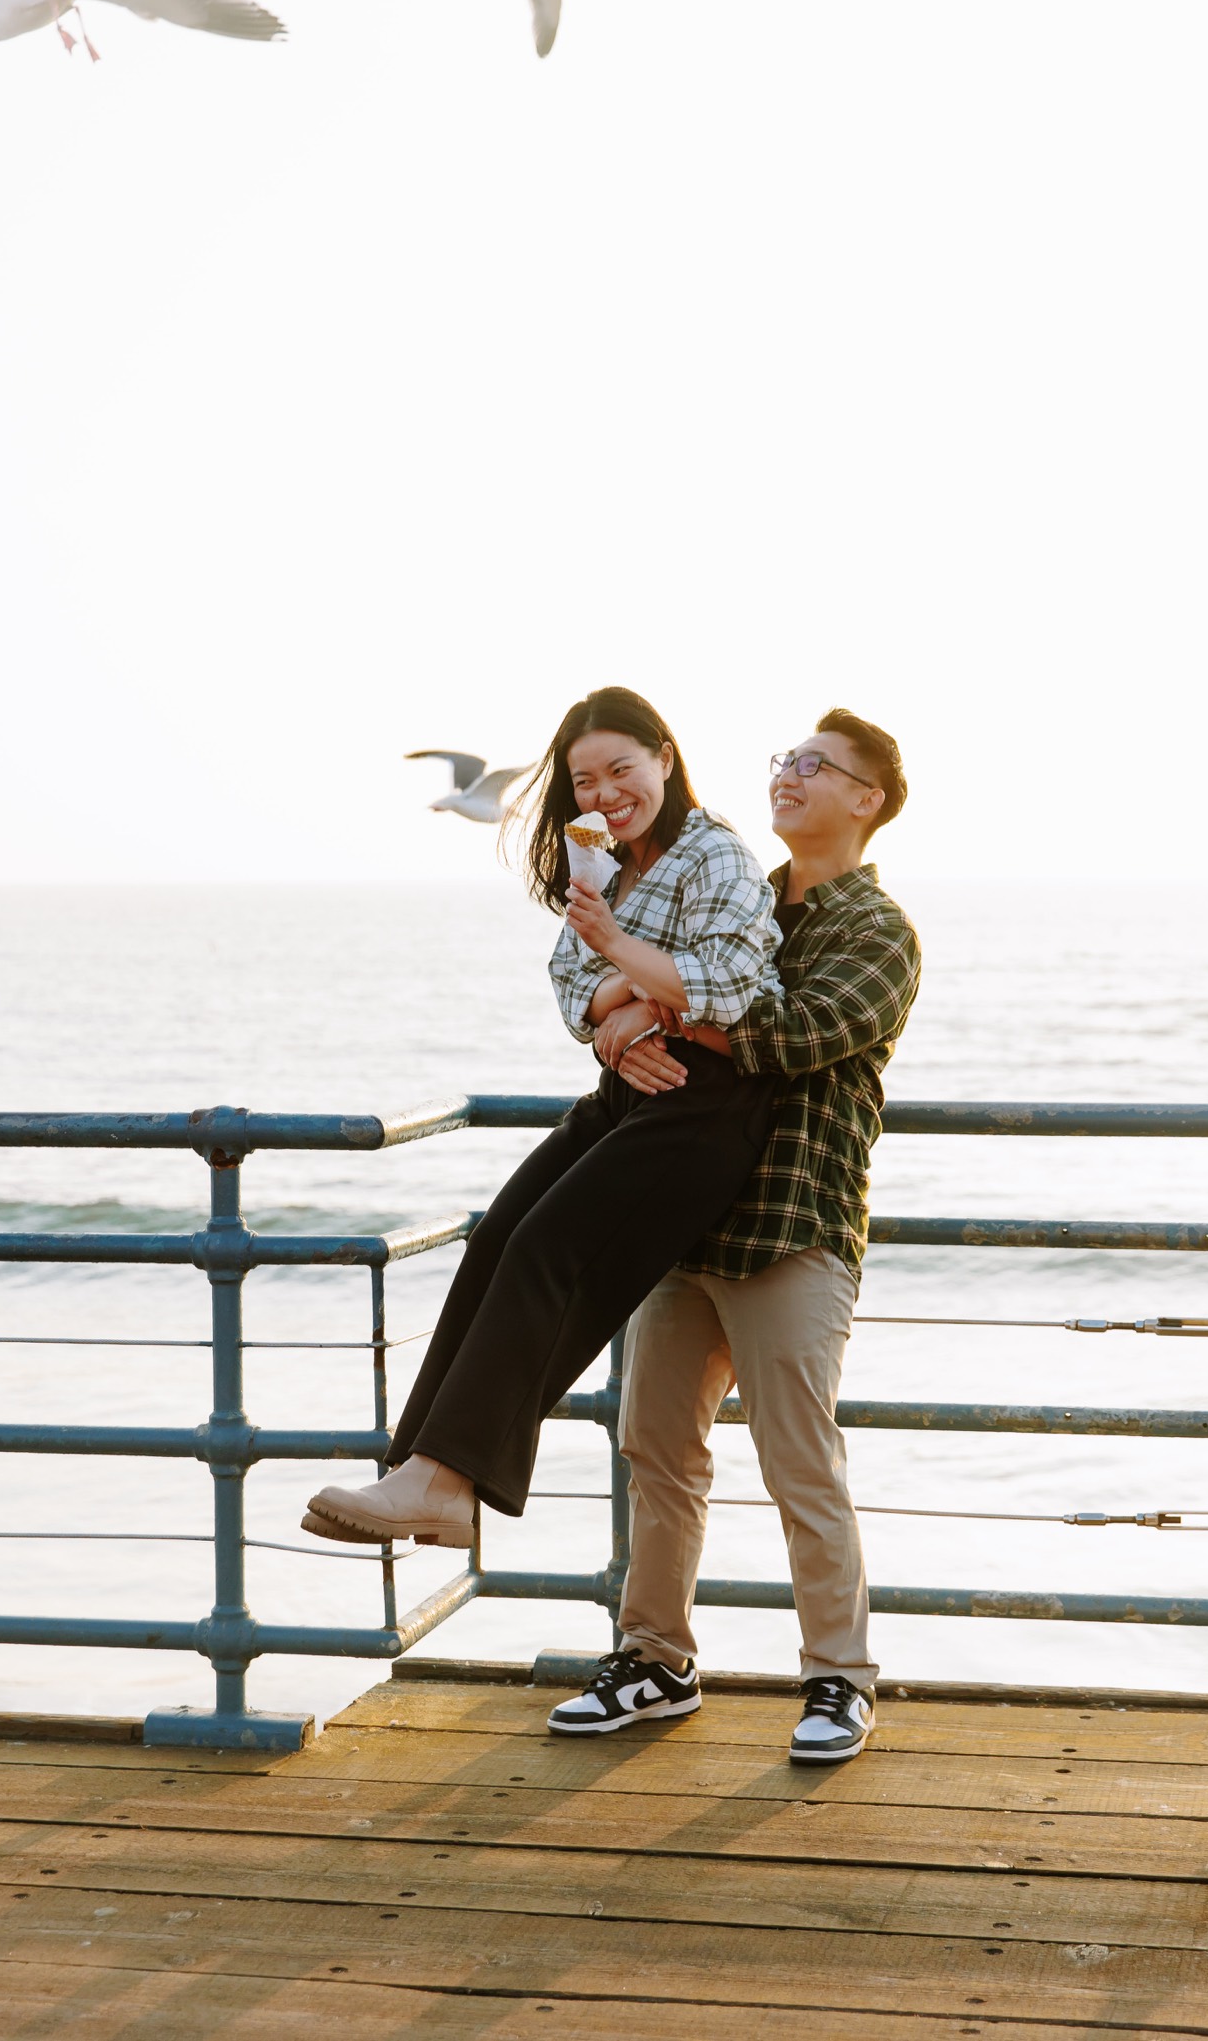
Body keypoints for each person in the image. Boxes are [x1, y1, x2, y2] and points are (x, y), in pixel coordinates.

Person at [302, 687, 782, 1551]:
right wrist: (625, 1010)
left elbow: (733, 987)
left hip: (706, 1101)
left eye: (621, 770)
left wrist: (627, 980)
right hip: (630, 1086)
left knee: (546, 1249)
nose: (603, 793)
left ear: (665, 760)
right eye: (583, 779)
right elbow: (570, 982)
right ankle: (420, 1471)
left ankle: (446, 1480)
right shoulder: (601, 859)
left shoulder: (719, 856)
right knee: (497, 1239)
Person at [545, 710, 920, 1765]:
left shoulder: (879, 933)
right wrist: (632, 1009)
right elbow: (638, 984)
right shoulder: (736, 887)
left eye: (816, 765)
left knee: (801, 1458)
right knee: (654, 1448)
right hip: (685, 1219)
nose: (789, 775)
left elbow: (791, 1032)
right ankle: (655, 1657)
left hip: (794, 1222)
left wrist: (645, 1003)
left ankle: (840, 1677)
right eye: (785, 760)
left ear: (867, 798)